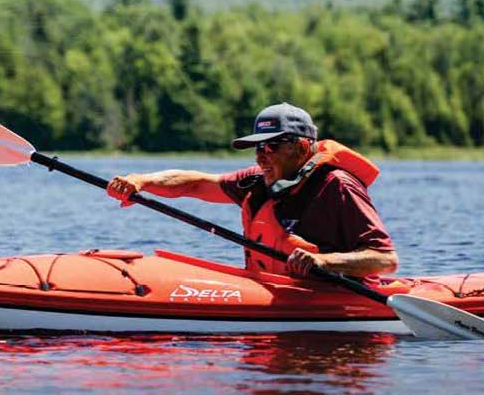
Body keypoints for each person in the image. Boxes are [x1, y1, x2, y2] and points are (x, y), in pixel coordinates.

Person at [106, 103, 398, 279]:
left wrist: (324, 261)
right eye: (258, 147)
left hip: (332, 300)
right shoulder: (256, 181)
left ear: (301, 148)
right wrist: (141, 180)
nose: (261, 156)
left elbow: (385, 259)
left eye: (271, 146)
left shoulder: (338, 186)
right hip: (273, 289)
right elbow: (194, 183)